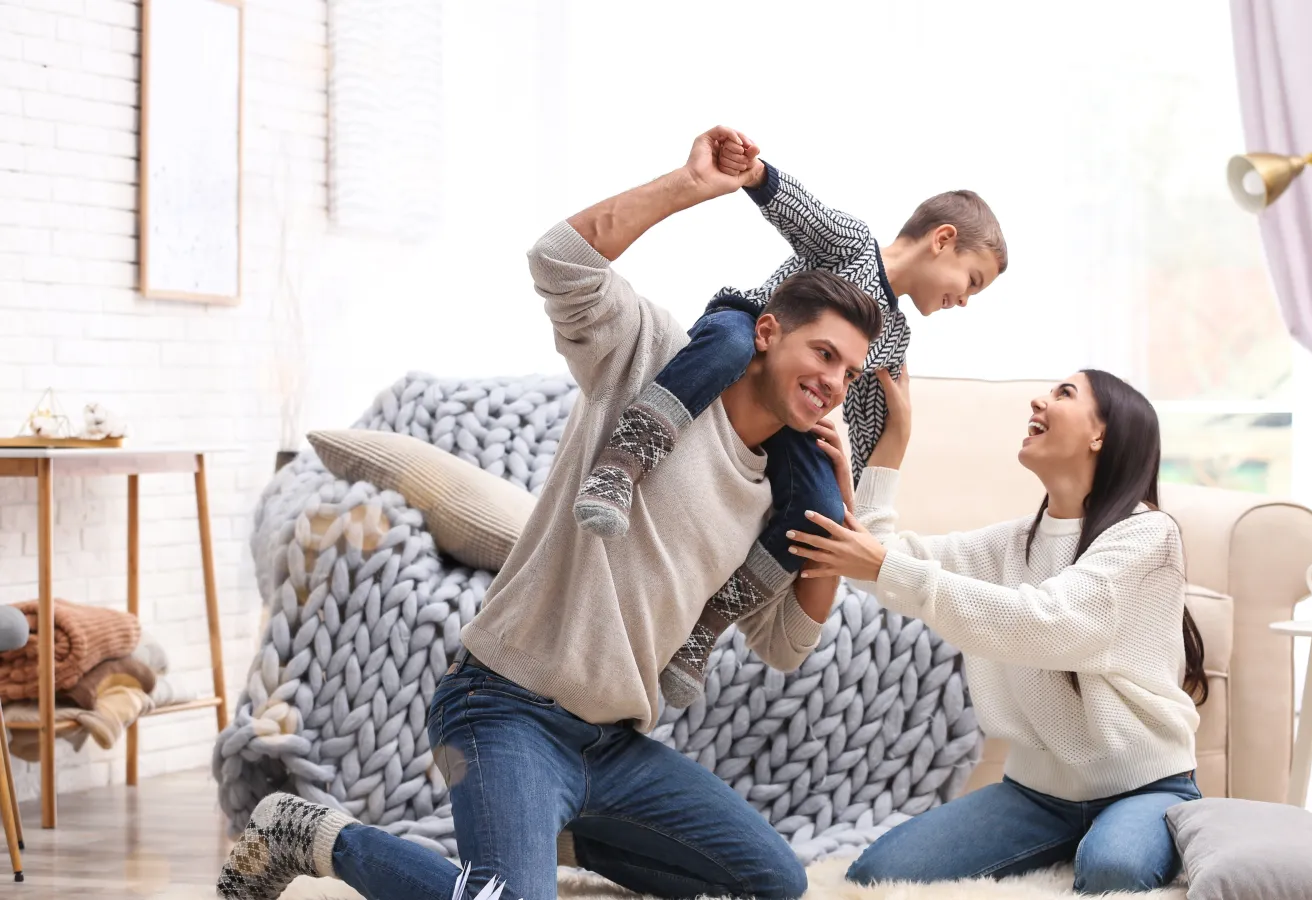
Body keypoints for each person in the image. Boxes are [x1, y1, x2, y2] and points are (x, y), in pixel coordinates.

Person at [215, 127, 881, 900]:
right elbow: (558, 260)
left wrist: (843, 518)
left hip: (615, 748)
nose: (836, 382)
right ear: (766, 333)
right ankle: (316, 834)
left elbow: (787, 644)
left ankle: (542, 836)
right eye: (824, 354)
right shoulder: (657, 356)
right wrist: (689, 186)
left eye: (851, 372)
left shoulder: (787, 488)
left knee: (776, 883)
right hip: (501, 712)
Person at [570, 133, 1009, 708]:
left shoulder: (894, 340)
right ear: (943, 241)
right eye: (971, 282)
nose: (966, 301)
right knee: (729, 345)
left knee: (822, 514)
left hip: (792, 417)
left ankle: (705, 628)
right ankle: (620, 466)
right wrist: (754, 174)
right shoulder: (851, 245)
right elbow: (805, 216)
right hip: (748, 333)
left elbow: (868, 427)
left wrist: (894, 440)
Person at [787, 367, 1209, 894]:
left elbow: (1051, 623)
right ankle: (1078, 841)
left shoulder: (1149, 534)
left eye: (1064, 393)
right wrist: (894, 441)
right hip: (1035, 796)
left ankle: (1147, 827)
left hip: (1142, 786)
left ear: (1101, 434)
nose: (1039, 399)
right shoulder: (1012, 544)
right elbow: (880, 564)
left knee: (1114, 871)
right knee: (878, 874)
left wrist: (885, 568)